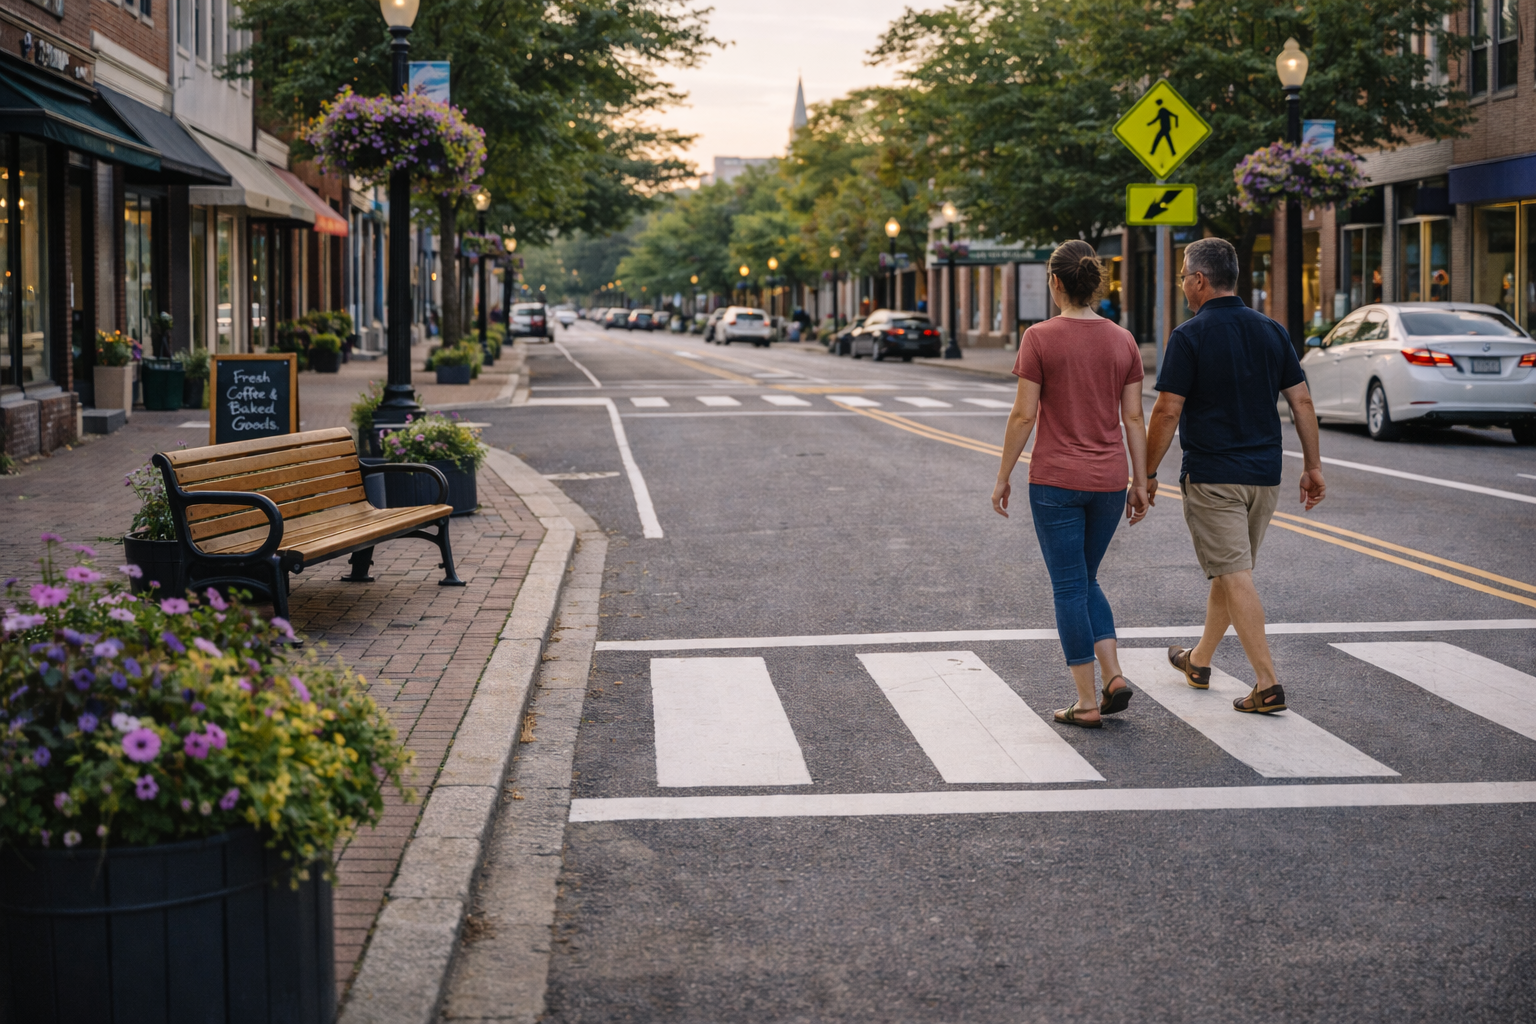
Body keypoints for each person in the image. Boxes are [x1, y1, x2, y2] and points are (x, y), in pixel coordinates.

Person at [1145, 237, 1326, 714]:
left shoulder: (1190, 335)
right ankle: (1199, 661)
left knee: (1233, 574)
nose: (1183, 283)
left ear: (1200, 280)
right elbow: (1302, 401)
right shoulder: (1272, 330)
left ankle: (1267, 683)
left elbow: (1166, 411)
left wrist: (1144, 472)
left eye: (1184, 275)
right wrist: (1312, 466)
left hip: (1213, 476)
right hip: (1264, 477)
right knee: (1231, 573)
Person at [992, 240, 1150, 728]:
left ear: (1055, 282)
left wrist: (1003, 476)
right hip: (1107, 480)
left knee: (1068, 585)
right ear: (1094, 283)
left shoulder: (1039, 337)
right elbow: (1134, 418)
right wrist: (1140, 482)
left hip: (1056, 481)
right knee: (1086, 578)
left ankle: (1086, 703)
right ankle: (1114, 675)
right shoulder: (1123, 340)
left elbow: (1023, 414)